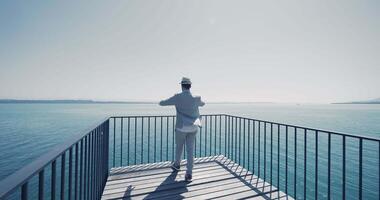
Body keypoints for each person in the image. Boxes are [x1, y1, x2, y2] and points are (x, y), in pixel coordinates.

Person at [159, 77, 205, 181]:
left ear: (182, 86)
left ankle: (177, 165)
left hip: (181, 127)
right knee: (190, 150)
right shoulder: (196, 98)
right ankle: (189, 174)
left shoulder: (177, 97)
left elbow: (162, 103)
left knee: (179, 147)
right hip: (193, 127)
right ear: (190, 86)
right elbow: (203, 104)